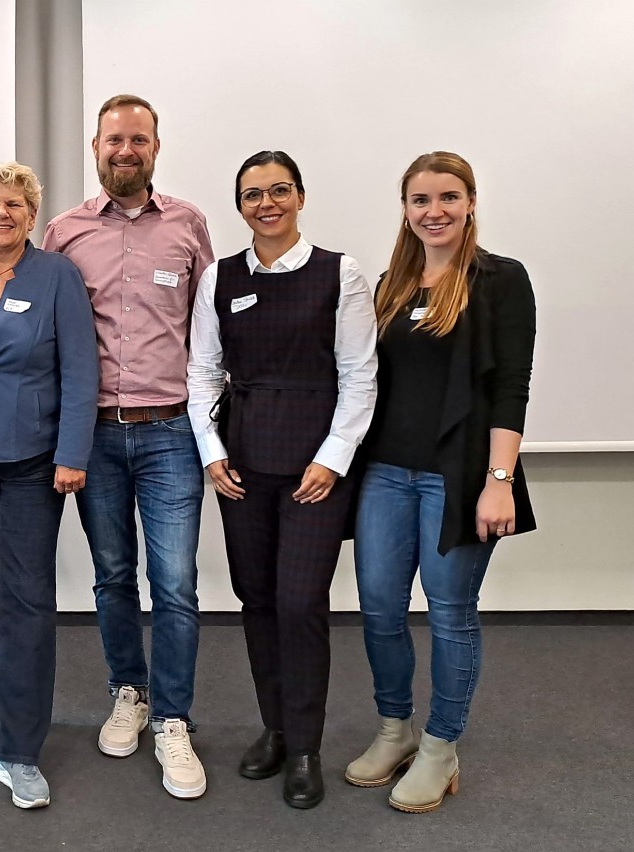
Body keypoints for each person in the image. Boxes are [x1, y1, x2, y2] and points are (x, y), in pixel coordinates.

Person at [346, 151, 536, 813]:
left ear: (471, 202)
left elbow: (512, 388)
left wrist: (500, 480)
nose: (435, 212)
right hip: (385, 476)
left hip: (458, 479)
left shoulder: (500, 280)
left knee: (451, 617)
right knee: (378, 610)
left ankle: (440, 746)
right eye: (421, 200)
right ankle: (395, 728)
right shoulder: (393, 284)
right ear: (405, 209)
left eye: (448, 198)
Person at [187, 151, 378, 809]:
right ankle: (275, 726)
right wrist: (211, 451)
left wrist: (332, 458)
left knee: (300, 605)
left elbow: (359, 375)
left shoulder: (339, 274)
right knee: (257, 599)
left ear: (299, 196)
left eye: (278, 191)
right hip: (242, 464)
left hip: (314, 470)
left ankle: (305, 748)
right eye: (251, 195)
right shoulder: (220, 276)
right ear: (239, 206)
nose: (265, 203)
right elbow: (203, 373)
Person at [45, 94, 215, 799]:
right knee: (113, 574)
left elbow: (212, 329)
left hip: (171, 431)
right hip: (97, 436)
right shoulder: (63, 232)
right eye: (114, 139)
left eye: (138, 140)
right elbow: (22, 296)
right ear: (95, 146)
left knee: (174, 584)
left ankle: (174, 719)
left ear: (155, 147)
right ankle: (129, 692)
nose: (125, 150)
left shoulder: (188, 225)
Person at [0, 162, 99, 809]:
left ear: (31, 215)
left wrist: (72, 454)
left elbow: (82, 370)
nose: (1, 213)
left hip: (36, 460)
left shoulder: (57, 276)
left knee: (27, 596)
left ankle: (21, 749)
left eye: (14, 203)